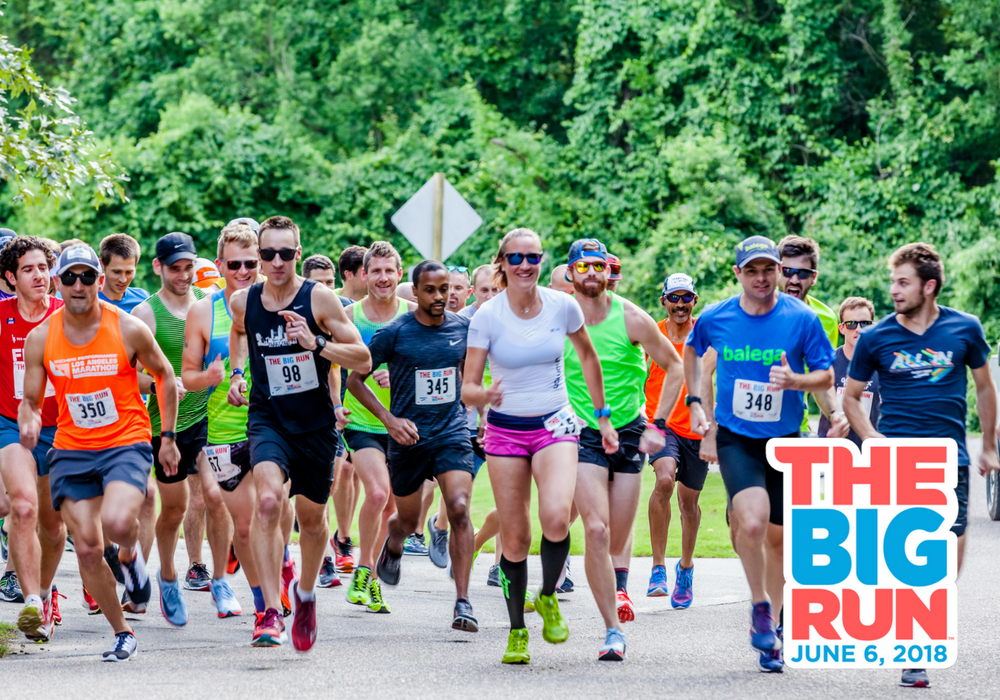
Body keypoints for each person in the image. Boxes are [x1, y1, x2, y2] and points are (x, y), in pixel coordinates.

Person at [684, 235, 846, 673]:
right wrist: (698, 405)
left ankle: (772, 628)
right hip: (738, 437)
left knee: (780, 539)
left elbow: (826, 373)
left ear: (778, 271)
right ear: (737, 274)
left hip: (787, 440)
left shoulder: (802, 319)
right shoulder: (718, 316)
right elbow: (693, 350)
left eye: (769, 269)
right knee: (752, 521)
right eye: (752, 270)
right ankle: (759, 604)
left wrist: (797, 383)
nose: (762, 278)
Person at [843, 242, 999, 690]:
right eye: (893, 281)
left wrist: (988, 445)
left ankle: (927, 617)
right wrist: (873, 440)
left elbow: (985, 388)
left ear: (928, 287)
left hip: (950, 458)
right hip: (899, 461)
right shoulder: (876, 338)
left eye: (902, 282)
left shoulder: (964, 329)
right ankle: (915, 646)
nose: (893, 290)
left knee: (948, 558)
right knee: (910, 556)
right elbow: (851, 398)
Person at [462, 227, 617, 665]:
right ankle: (516, 632)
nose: (526, 265)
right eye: (516, 258)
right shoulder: (487, 316)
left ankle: (547, 594)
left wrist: (602, 417)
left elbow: (587, 357)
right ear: (503, 263)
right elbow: (468, 387)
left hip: (555, 423)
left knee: (555, 518)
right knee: (515, 538)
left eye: (534, 257)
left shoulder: (563, 306)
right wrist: (483, 397)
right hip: (506, 430)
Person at [20, 243, 180, 661]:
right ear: (58, 282)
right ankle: (122, 631)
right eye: (69, 277)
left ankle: (130, 557)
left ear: (98, 279)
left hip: (124, 439)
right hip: (72, 448)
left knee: (116, 520)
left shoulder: (127, 328)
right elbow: (31, 400)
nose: (78, 285)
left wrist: (168, 437)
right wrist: (31, 419)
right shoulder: (41, 337)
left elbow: (164, 375)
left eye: (87, 276)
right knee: (88, 547)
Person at [227, 215, 370, 650]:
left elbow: (362, 359)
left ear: (297, 255)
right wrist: (236, 374)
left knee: (312, 522)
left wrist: (316, 344)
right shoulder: (243, 301)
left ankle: (305, 592)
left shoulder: (320, 299)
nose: (274, 262)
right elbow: (238, 332)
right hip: (268, 418)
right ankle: (270, 610)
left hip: (315, 426)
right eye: (265, 254)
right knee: (267, 502)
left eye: (284, 253)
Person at [562, 239, 683, 660]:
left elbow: (675, 366)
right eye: (583, 267)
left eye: (599, 266)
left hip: (630, 431)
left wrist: (660, 424)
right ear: (570, 273)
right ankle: (612, 628)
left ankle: (620, 583)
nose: (592, 273)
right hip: (583, 432)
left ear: (607, 270)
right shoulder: (559, 319)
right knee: (594, 530)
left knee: (615, 528)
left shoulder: (631, 318)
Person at [346, 260, 479, 631]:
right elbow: (356, 381)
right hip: (408, 439)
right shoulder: (395, 331)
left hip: (451, 432)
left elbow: (472, 376)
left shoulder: (463, 329)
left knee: (459, 506)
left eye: (447, 289)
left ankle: (463, 602)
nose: (441, 297)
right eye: (432, 290)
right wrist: (390, 421)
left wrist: (479, 413)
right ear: (416, 292)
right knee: (405, 520)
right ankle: (393, 545)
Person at [132, 232, 226, 624]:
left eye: (189, 267)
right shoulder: (146, 315)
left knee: (215, 496)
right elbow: (131, 378)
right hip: (163, 426)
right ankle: (167, 575)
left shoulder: (207, 309)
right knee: (174, 509)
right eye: (175, 268)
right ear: (158, 267)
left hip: (210, 419)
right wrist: (166, 384)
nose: (184, 275)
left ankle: (219, 581)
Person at [182, 222, 264, 624]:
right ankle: (220, 578)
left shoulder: (276, 302)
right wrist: (212, 378)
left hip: (271, 426)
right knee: (220, 506)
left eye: (252, 262)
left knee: (274, 507)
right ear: (220, 264)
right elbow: (189, 375)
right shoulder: (204, 310)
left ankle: (271, 588)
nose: (245, 271)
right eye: (235, 264)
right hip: (221, 428)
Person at [340, 241, 414, 612]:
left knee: (392, 508)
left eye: (390, 271)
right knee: (377, 494)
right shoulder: (350, 316)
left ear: (399, 275)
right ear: (364, 274)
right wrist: (336, 405)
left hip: (404, 425)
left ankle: (370, 573)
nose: (383, 278)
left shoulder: (415, 315)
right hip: (363, 421)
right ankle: (363, 570)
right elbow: (331, 367)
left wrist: (398, 376)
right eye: (376, 271)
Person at [0, 236, 65, 641]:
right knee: (22, 508)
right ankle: (31, 605)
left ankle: (43, 590)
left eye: (44, 267)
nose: (39, 275)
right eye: (29, 269)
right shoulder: (0, 316)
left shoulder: (67, 314)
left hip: (63, 429)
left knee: (53, 527)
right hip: (11, 424)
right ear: (10, 277)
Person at [644, 273, 710, 608]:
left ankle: (685, 567)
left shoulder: (706, 333)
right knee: (665, 480)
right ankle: (658, 568)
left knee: (688, 504)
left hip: (696, 429)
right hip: (663, 424)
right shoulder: (652, 334)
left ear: (694, 301)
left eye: (686, 298)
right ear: (664, 301)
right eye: (674, 298)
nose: (680, 304)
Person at [302, 251, 352, 587]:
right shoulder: (296, 309)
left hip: (333, 409)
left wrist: (336, 405)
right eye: (320, 284)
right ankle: (321, 561)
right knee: (307, 490)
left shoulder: (338, 308)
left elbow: (336, 369)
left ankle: (335, 544)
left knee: (334, 479)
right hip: (297, 413)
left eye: (331, 283)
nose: (327, 289)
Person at [817, 297, 880, 447]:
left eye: (864, 324)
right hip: (832, 451)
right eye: (851, 324)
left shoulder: (882, 365)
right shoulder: (828, 363)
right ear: (841, 328)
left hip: (872, 451)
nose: (858, 329)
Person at [98, 234, 151, 313]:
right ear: (102, 265)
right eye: (116, 272)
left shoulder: (143, 300)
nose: (123, 279)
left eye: (129, 272)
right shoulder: (90, 301)